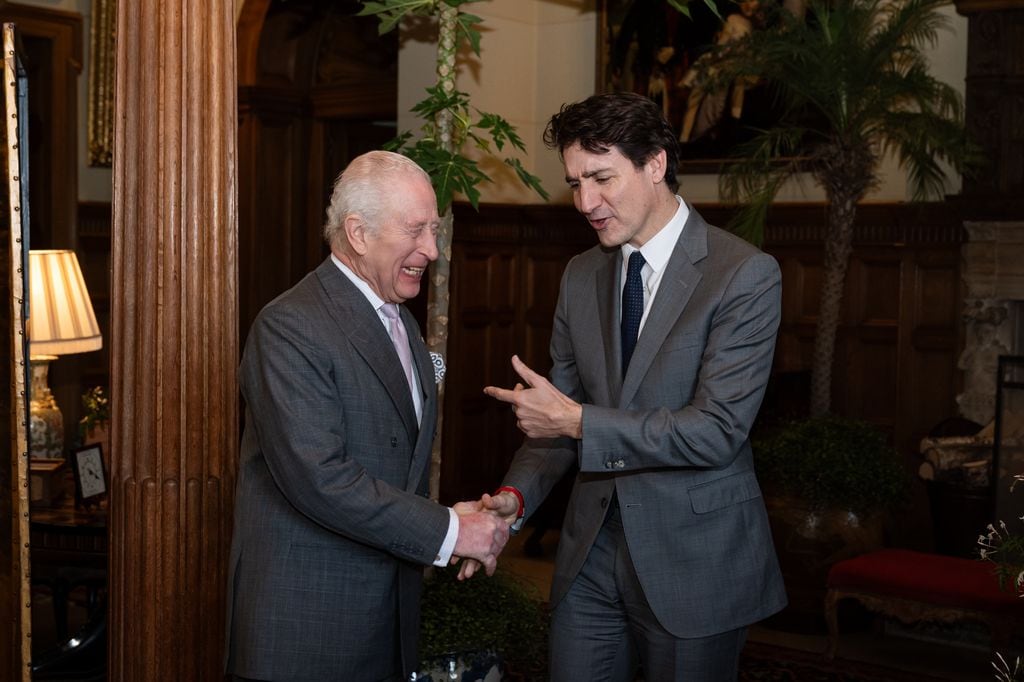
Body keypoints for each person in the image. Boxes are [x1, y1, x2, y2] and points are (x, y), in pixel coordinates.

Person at [472, 92, 787, 681]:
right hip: (590, 550)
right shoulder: (581, 273)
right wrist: (513, 501)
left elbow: (716, 432)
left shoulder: (743, 275)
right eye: (574, 183)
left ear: (657, 164)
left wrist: (577, 422)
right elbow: (555, 418)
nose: (585, 202)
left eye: (601, 178)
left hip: (694, 559)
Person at [224, 150, 510, 682]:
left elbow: (391, 463)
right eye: (416, 230)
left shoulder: (399, 321)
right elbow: (320, 479)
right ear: (357, 233)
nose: (431, 248)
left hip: (385, 623)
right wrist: (451, 530)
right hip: (307, 634)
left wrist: (455, 520)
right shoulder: (291, 326)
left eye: (434, 230)